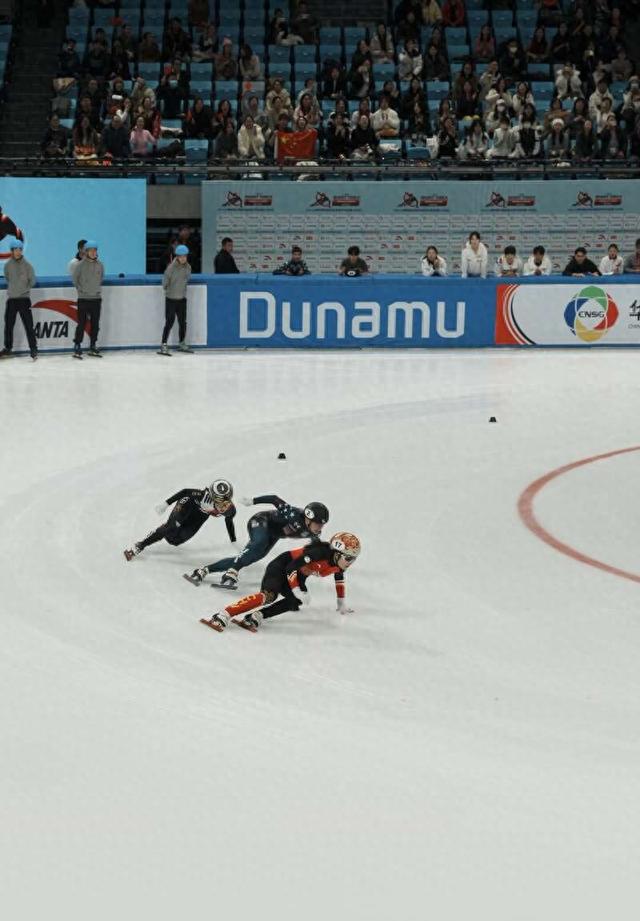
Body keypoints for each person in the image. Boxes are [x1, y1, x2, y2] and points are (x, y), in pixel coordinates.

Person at [200, 532, 361, 633]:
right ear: (337, 553)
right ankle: (224, 614)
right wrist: (297, 588)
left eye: (353, 559)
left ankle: (257, 616)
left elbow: (339, 578)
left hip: (297, 575)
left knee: (294, 601)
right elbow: (292, 566)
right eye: (348, 558)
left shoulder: (339, 563)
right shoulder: (319, 553)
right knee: (268, 596)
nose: (350, 562)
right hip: (281, 566)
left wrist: (341, 602)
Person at [185, 496, 330, 589]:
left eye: (322, 525)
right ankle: (233, 571)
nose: (320, 528)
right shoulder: (293, 514)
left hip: (274, 534)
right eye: (318, 524)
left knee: (251, 557)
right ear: (308, 519)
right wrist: (252, 501)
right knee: (258, 543)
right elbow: (274, 499)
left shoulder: (313, 531)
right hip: (261, 521)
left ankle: (204, 570)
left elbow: (316, 548)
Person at [124, 479, 236, 561]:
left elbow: (229, 520)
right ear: (212, 497)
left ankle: (165, 530)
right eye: (221, 503)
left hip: (200, 515)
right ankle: (141, 545)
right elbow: (185, 491)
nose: (224, 507)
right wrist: (166, 503)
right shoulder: (200, 496)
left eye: (227, 502)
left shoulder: (229, 509)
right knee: (171, 528)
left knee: (174, 541)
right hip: (187, 505)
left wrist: (233, 540)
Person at [0, 240, 37, 360]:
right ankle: (8, 348)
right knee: (9, 325)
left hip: (24, 300)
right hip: (12, 300)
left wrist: (23, 289)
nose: (18, 252)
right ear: (11, 251)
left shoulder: (28, 265)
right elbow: (7, 277)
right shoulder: (7, 265)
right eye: (15, 249)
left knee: (28, 325)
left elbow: (33, 281)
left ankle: (33, 349)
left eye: (20, 249)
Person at [71, 240, 104, 359]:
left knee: (95, 324)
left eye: (95, 250)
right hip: (83, 299)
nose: (94, 253)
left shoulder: (100, 265)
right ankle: (77, 344)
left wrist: (95, 290)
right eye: (91, 250)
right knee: (82, 323)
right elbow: (75, 280)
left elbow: (101, 279)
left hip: (96, 298)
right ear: (86, 251)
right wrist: (82, 291)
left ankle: (93, 344)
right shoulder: (79, 265)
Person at [160, 244, 192, 356]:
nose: (183, 258)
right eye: (181, 256)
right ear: (177, 256)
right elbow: (164, 283)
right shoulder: (170, 268)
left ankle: (182, 342)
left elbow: (187, 279)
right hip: (171, 299)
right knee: (169, 321)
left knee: (183, 322)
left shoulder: (188, 267)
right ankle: (164, 344)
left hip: (182, 299)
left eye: (185, 256)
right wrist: (169, 288)